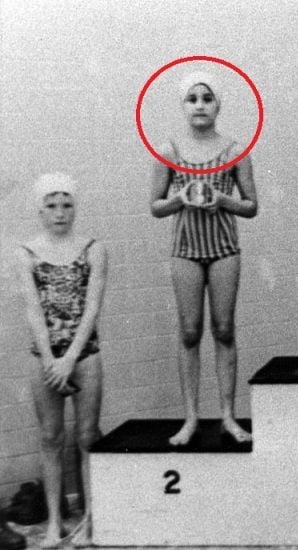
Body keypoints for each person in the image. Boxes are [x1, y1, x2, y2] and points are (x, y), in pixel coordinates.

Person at [150, 71, 258, 445]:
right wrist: (181, 198)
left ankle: (228, 415)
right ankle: (191, 418)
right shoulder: (168, 150)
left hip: (224, 248)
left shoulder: (235, 150)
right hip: (186, 250)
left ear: (217, 105)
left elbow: (251, 206)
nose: (199, 105)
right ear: (183, 105)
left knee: (224, 329)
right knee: (190, 331)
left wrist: (222, 200)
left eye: (206, 98)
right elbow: (156, 206)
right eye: (192, 99)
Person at [15, 173, 107, 547]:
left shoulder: (93, 248)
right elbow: (33, 310)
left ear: (75, 208)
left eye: (67, 204)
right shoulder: (26, 252)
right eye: (51, 205)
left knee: (87, 436)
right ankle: (55, 521)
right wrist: (53, 360)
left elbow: (92, 308)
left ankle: (90, 518)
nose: (60, 213)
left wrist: (70, 357)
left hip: (84, 355)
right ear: (40, 209)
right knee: (51, 438)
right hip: (45, 359)